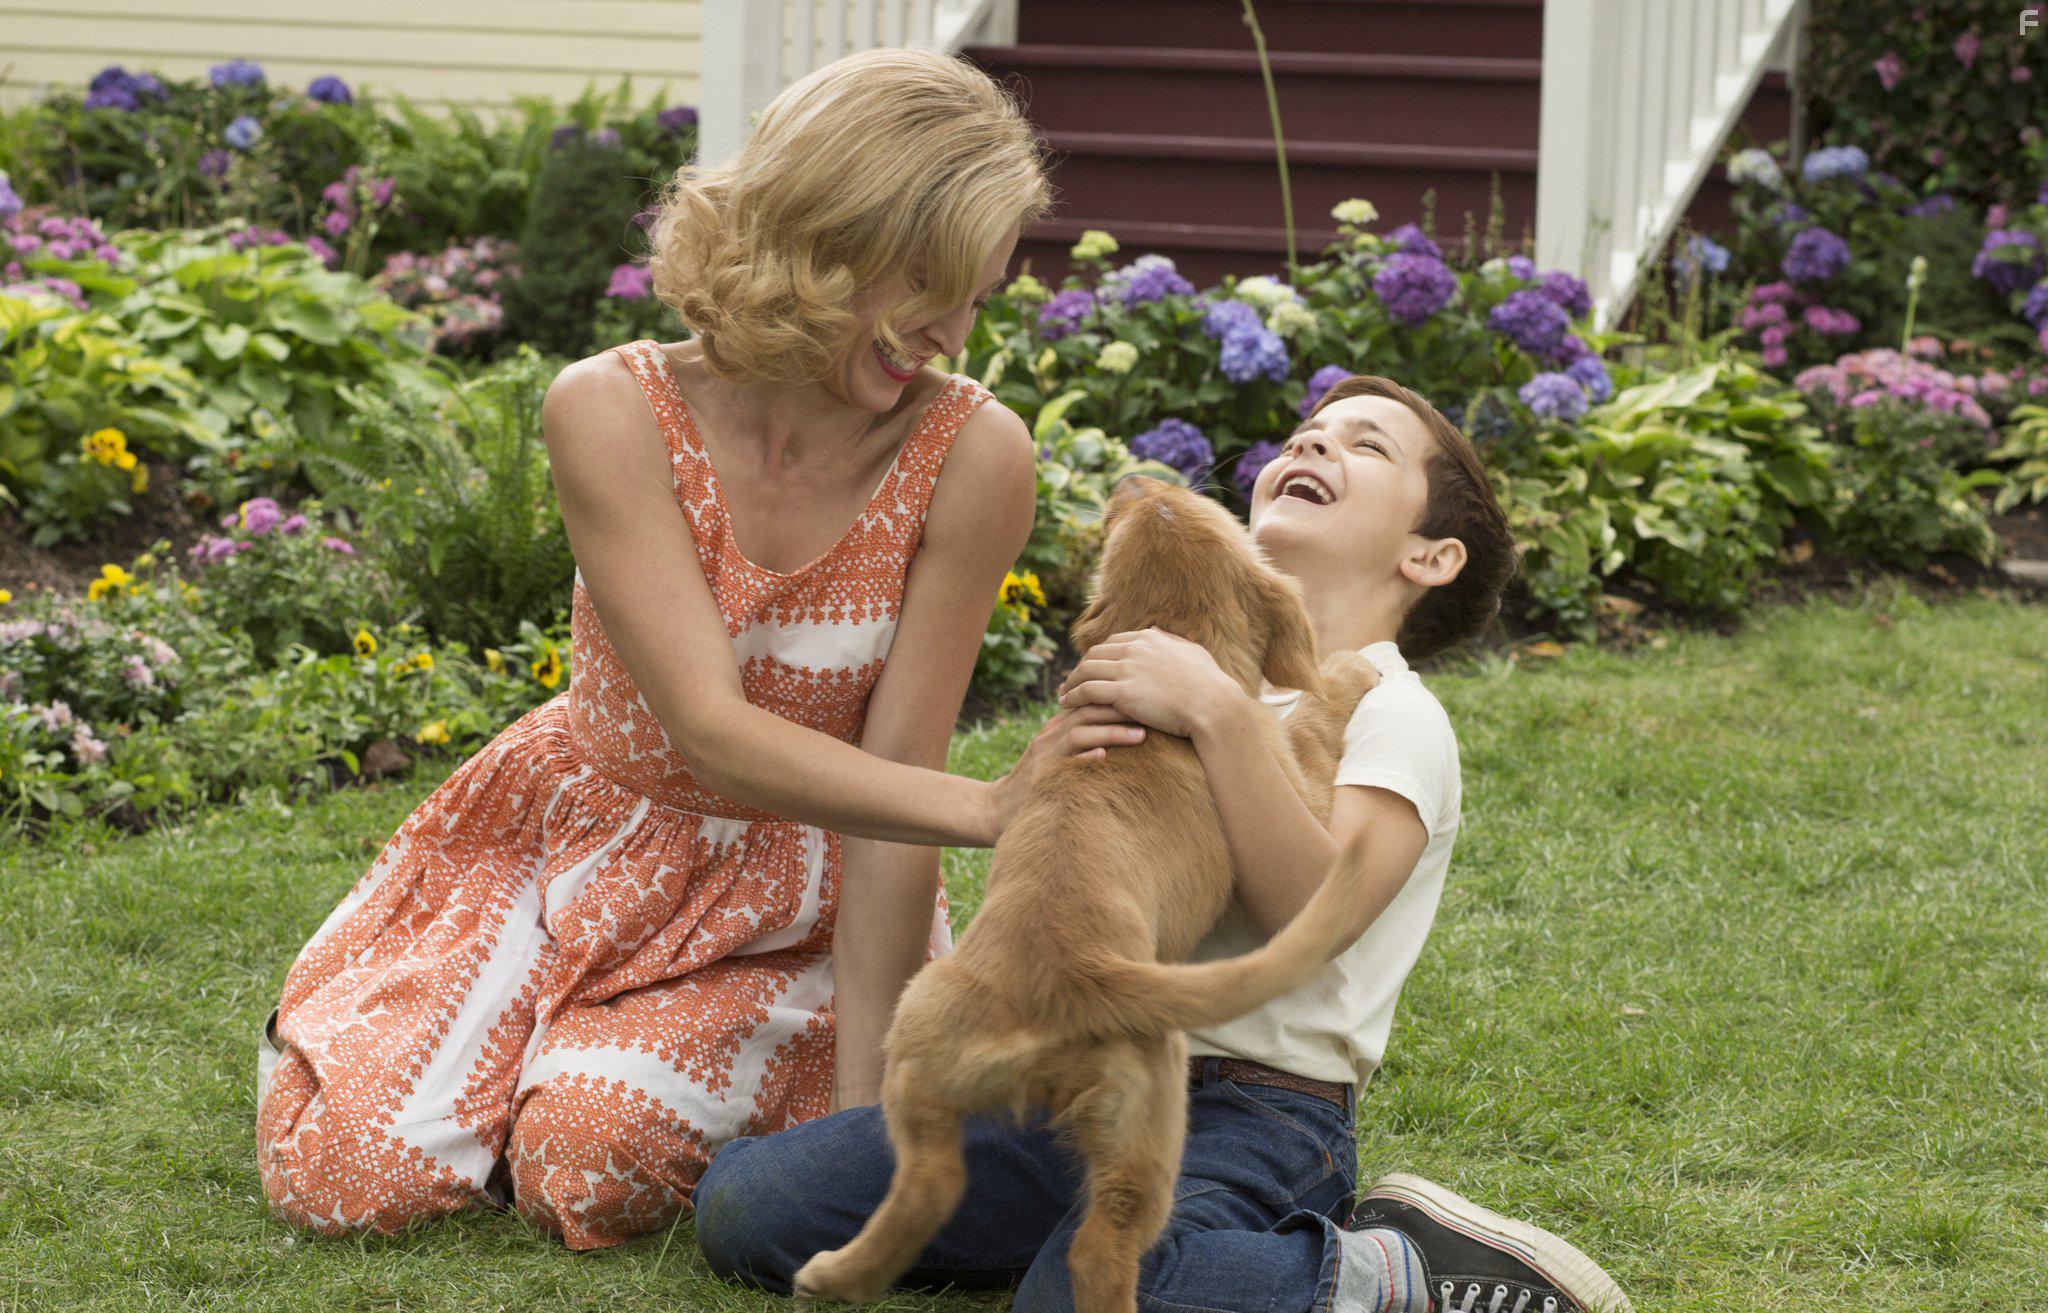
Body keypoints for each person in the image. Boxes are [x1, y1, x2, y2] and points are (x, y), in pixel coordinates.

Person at [253, 47, 1079, 1250]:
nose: (949, 334)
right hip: (571, 847)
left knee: (586, 1166)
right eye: (925, 284)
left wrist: (857, 1140)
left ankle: (574, 1090)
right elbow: (708, 730)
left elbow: (890, 795)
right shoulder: (610, 406)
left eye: (977, 297)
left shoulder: (972, 454)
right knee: (350, 1179)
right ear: (824, 233)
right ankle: (485, 1051)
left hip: (786, 902)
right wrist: (993, 808)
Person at [693, 377, 1637, 1313]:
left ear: (1430, 557)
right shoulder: (1159, 664)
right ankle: (1086, 1236)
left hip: (1259, 1110)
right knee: (752, 1203)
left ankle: (1396, 1275)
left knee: (1082, 1299)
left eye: (1366, 444)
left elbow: (1320, 909)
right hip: (1069, 1065)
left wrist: (1219, 712)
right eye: (1305, 434)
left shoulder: (1392, 710)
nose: (1311, 445)